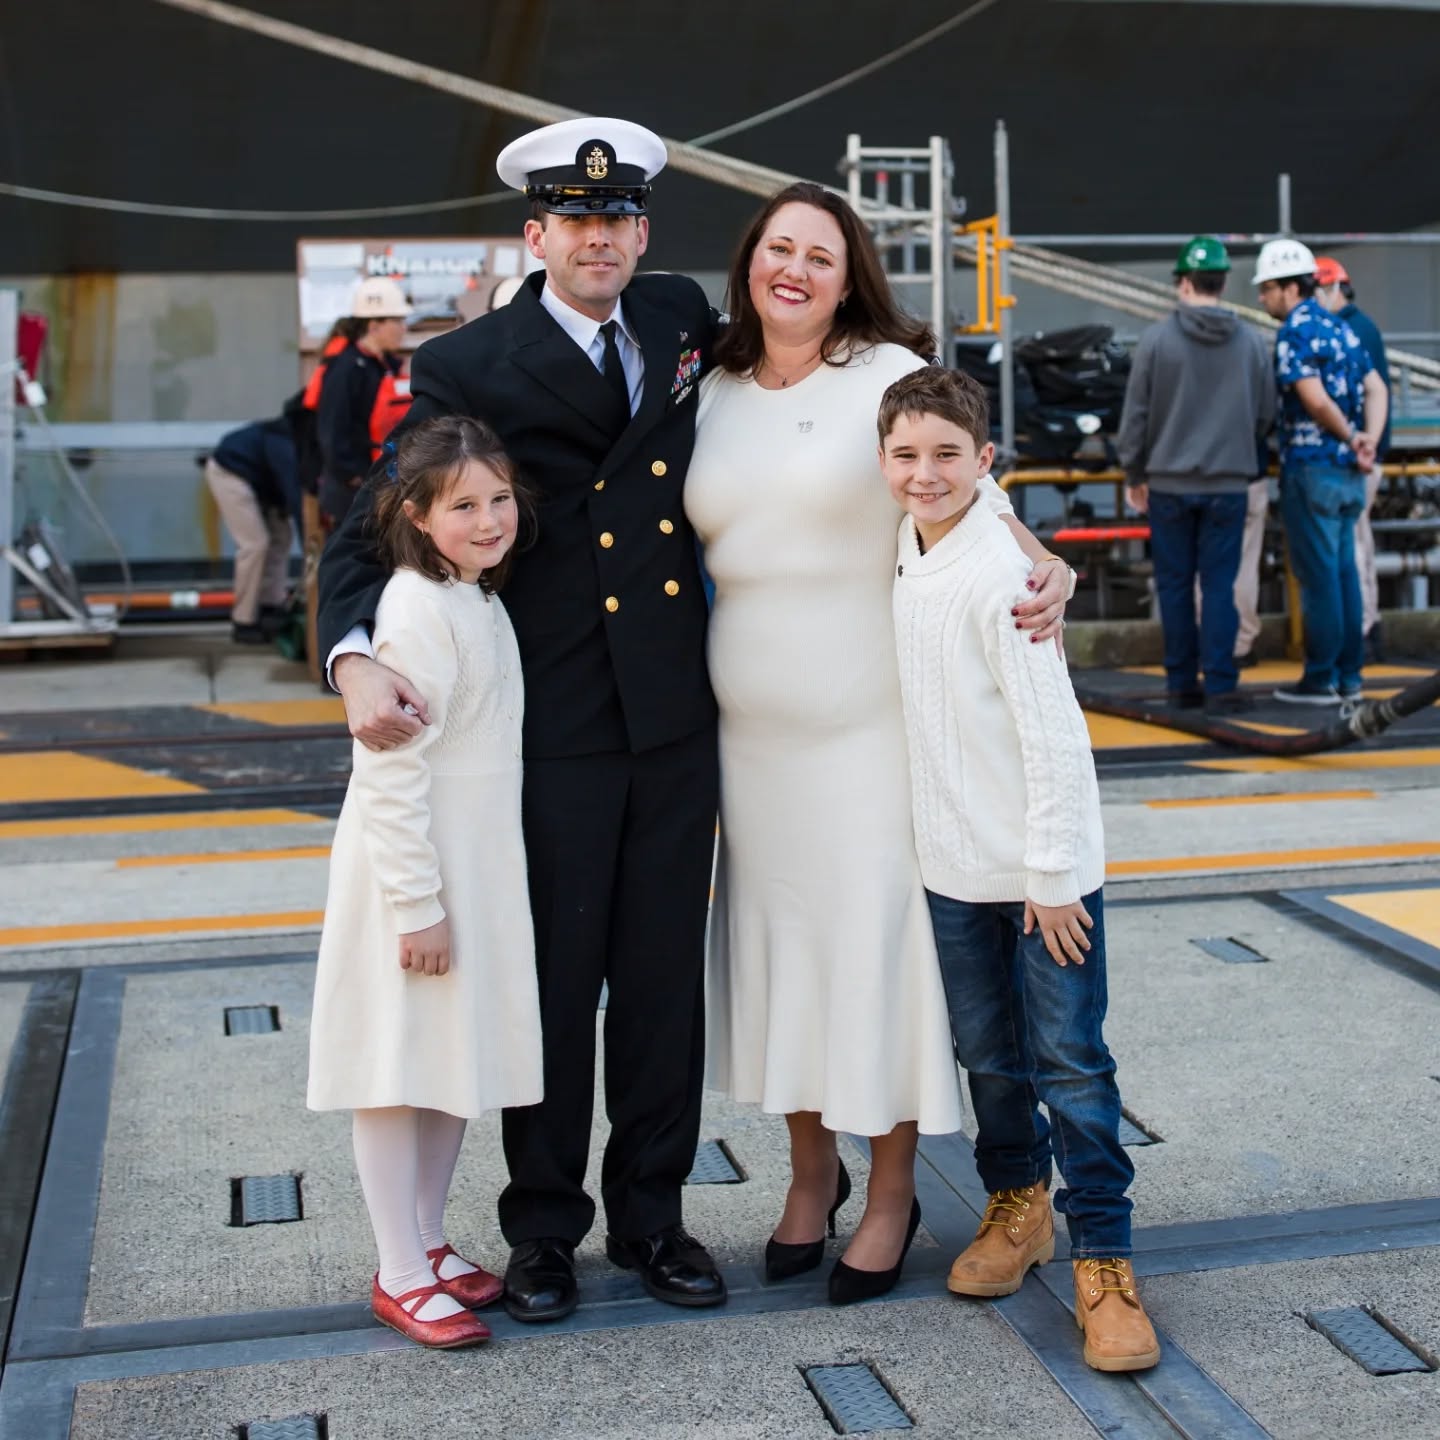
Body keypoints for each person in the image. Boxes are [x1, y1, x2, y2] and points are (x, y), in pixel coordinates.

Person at [317, 118, 727, 1322]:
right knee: (551, 985)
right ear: (535, 234)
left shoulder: (678, 318)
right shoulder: (466, 364)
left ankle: (655, 1216)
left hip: (673, 711)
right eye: (575, 221)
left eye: (618, 220)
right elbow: (370, 520)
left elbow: (837, 375)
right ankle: (544, 1229)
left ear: (642, 233)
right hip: (554, 715)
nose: (599, 238)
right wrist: (351, 658)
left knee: (661, 988)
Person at [684, 182, 1073, 1305]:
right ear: (748, 265)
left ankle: (893, 1191)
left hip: (872, 732)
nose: (794, 268)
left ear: (851, 273)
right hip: (752, 749)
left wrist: (1047, 568)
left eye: (819, 253)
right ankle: (811, 1177)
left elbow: (971, 493)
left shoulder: (883, 382)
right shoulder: (708, 388)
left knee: (878, 959)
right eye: (775, 249)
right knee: (787, 953)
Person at [884, 365, 1159, 1373]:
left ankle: (1108, 1263)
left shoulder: (1002, 573)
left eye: (948, 456)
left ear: (986, 463)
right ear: (882, 464)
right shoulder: (909, 547)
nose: (924, 474)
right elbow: (948, 493)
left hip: (1044, 879)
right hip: (955, 870)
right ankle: (1019, 1204)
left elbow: (1055, 738)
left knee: (1074, 1070)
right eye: (906, 456)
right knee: (990, 1060)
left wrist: (1050, 875)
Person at [307, 414, 543, 1349]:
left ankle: (430, 1242)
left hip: (474, 867)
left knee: (448, 1064)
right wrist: (417, 907)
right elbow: (391, 772)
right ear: (414, 513)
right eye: (464, 507)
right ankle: (398, 1268)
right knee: (395, 1070)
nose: (490, 521)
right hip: (418, 876)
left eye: (499, 501)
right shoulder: (412, 609)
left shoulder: (478, 596)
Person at [1117, 236, 1274, 713]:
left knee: (1175, 585)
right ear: (1224, 282)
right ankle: (1222, 684)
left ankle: (1181, 685)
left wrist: (1134, 472)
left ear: (1184, 282)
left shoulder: (1156, 341)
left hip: (1168, 484)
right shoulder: (1252, 342)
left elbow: (1136, 417)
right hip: (1229, 484)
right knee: (1221, 586)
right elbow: (1266, 414)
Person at [1254, 238, 1388, 704]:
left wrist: (1351, 438)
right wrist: (1366, 438)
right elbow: (1376, 388)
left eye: (1267, 288)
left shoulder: (1295, 331)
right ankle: (1350, 676)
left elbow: (1312, 398)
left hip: (1313, 471)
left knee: (1320, 578)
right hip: (1349, 472)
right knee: (1345, 572)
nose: (1262, 298)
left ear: (1291, 288)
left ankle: (1320, 678)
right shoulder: (1342, 328)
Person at [1315, 256, 1391, 660]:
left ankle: (1362, 632)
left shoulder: (1350, 330)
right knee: (1355, 547)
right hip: (1360, 452)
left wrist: (1365, 444)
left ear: (1332, 288)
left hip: (1356, 456)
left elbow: (1372, 392)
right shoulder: (1360, 329)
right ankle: (1362, 630)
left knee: (1354, 549)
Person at [316, 277, 411, 529]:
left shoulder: (385, 366)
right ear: (374, 326)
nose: (404, 328)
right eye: (398, 321)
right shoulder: (346, 369)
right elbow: (332, 431)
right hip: (353, 494)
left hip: (381, 483)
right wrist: (355, 477)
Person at [205, 417, 299, 643]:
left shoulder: (302, 435)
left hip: (260, 480)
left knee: (282, 537)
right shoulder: (286, 441)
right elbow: (295, 495)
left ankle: (272, 605)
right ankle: (243, 621)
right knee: (254, 544)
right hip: (230, 472)